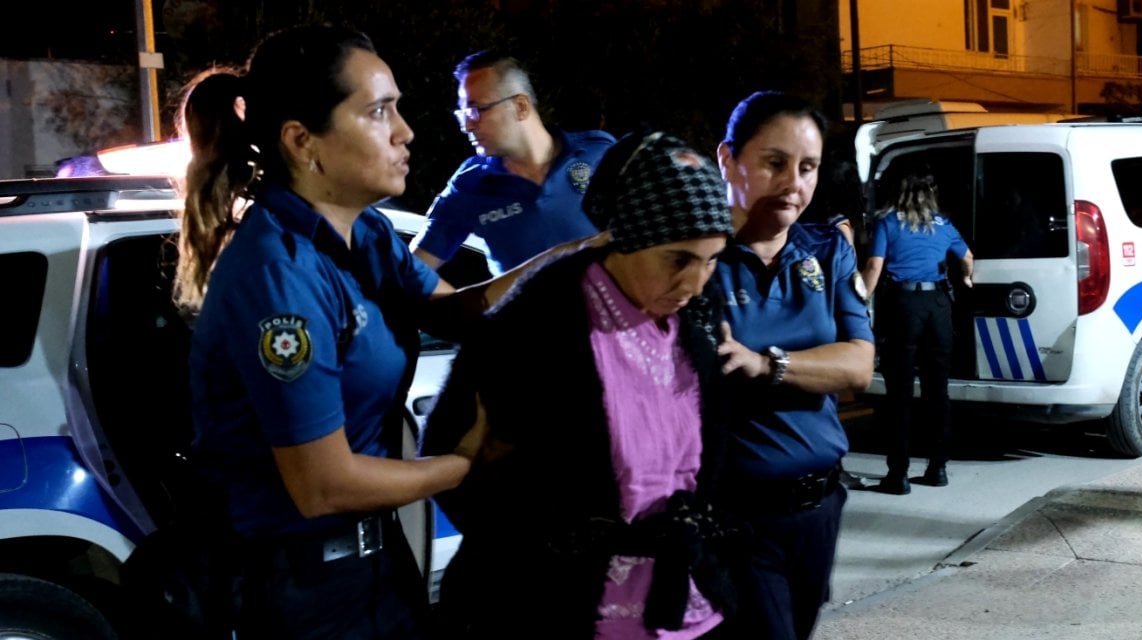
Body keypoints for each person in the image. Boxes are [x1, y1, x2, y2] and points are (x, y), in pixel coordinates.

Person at [175, 24, 500, 639]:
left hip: (371, 565)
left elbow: (458, 311)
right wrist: (464, 464)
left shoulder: (365, 234)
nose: (405, 131)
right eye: (380, 112)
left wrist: (584, 261)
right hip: (295, 593)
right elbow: (323, 486)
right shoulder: (278, 273)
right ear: (303, 141)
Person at [421, 130, 740, 639]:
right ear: (624, 238)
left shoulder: (698, 314)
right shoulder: (537, 321)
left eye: (712, 259)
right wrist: (549, 544)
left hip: (678, 600)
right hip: (555, 606)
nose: (696, 282)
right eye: (678, 259)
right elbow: (455, 456)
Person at [712, 91, 876, 640]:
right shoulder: (699, 262)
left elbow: (857, 366)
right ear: (727, 160)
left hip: (819, 508)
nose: (794, 183)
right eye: (774, 163)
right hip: (735, 518)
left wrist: (765, 365)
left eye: (807, 167)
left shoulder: (827, 250)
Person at [410, 50, 616, 274]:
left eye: (477, 111)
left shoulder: (598, 151)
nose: (467, 126)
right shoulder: (470, 184)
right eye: (464, 115)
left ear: (520, 106)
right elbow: (412, 273)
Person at [861, 172, 975, 496]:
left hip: (903, 305)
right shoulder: (942, 223)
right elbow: (967, 258)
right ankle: (937, 468)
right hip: (937, 306)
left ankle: (899, 475)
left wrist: (861, 302)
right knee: (937, 391)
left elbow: (874, 267)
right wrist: (967, 280)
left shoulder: (887, 222)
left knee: (900, 394)